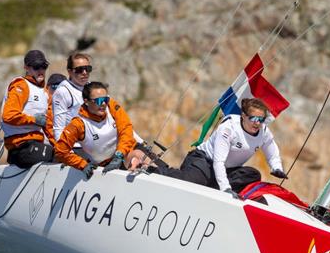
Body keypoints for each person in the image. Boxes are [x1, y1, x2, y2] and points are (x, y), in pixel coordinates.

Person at [153, 98, 287, 197]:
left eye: (261, 120)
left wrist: (277, 168)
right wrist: (225, 189)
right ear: (244, 116)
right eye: (253, 118)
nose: (257, 123)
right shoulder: (228, 128)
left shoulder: (263, 132)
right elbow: (218, 161)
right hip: (204, 162)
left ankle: (214, 187)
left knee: (253, 174)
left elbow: (272, 151)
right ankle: (153, 170)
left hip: (228, 169)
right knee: (191, 181)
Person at [54, 82, 136, 178]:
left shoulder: (111, 106)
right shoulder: (78, 124)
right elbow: (61, 151)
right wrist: (81, 164)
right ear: (86, 101)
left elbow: (126, 128)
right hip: (100, 168)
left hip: (121, 156)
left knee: (139, 156)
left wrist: (119, 154)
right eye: (99, 100)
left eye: (106, 99)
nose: (104, 104)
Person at [0, 50, 54, 168]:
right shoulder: (21, 85)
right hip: (20, 147)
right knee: (56, 157)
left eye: (44, 67)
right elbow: (8, 115)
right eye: (36, 67)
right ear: (26, 68)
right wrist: (34, 120)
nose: (41, 71)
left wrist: (62, 146)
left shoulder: (45, 93)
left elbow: (48, 127)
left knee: (65, 155)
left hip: (35, 145)